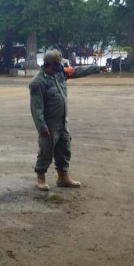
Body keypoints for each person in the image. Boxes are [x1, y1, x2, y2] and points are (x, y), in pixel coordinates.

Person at [29, 49, 100, 191]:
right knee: (46, 151)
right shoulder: (38, 83)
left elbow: (76, 71)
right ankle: (41, 178)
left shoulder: (60, 74)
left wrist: (96, 68)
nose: (61, 67)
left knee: (64, 149)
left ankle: (63, 177)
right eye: (57, 65)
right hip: (49, 125)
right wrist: (42, 128)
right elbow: (36, 109)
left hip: (62, 122)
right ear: (49, 64)